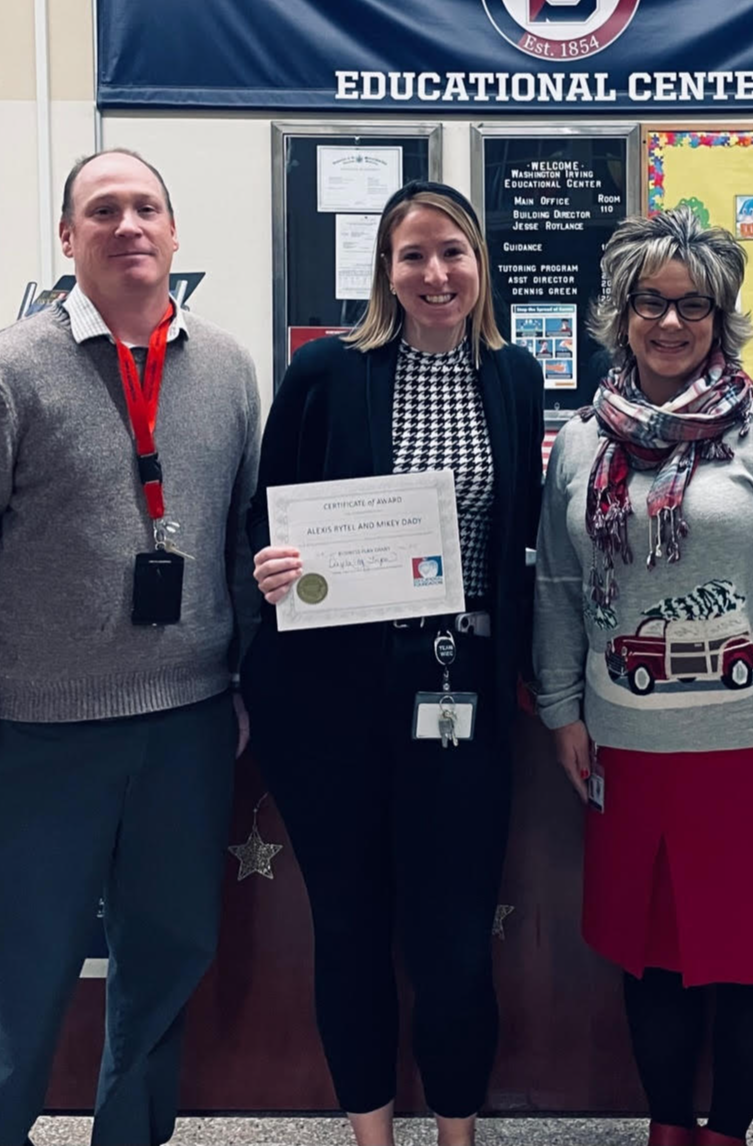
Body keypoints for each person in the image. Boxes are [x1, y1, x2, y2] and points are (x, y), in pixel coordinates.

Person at [0, 149, 261, 1146]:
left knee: (161, 971)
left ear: (176, 234)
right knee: (16, 986)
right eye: (103, 209)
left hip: (182, 734)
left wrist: (231, 683)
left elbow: (235, 538)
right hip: (35, 738)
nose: (128, 224)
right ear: (67, 237)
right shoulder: (2, 374)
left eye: (147, 206)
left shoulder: (226, 368)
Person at [533, 207, 753, 1147]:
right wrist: (559, 705)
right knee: (654, 961)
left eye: (693, 306)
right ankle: (669, 1126)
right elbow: (557, 579)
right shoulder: (583, 441)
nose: (670, 324)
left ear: (722, 318)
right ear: (618, 312)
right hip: (627, 748)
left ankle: (728, 1130)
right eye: (649, 303)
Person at [242, 181, 543, 1147]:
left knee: (454, 937)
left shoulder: (514, 373)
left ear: (479, 264)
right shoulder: (327, 370)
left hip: (458, 690)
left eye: (452, 251)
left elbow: (519, 536)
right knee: (351, 926)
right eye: (412, 255)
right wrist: (273, 564)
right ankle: (372, 1133)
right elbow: (265, 514)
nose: (434, 273)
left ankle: (455, 1130)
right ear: (385, 269)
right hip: (329, 698)